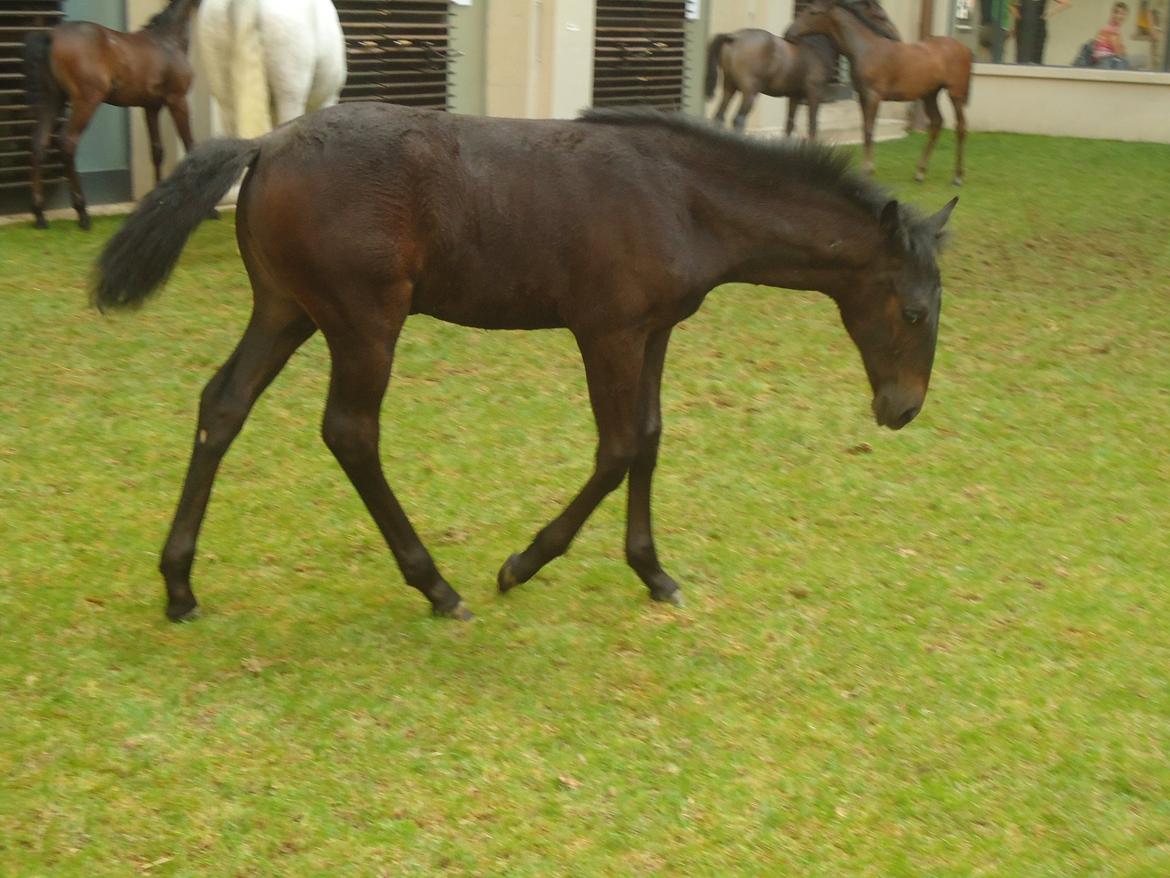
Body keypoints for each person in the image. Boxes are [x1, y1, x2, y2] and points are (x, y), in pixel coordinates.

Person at [1091, 2, 1131, 67]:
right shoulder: (1113, 30)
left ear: (1126, 16)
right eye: (1116, 12)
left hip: (1100, 60)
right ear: (1112, 14)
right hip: (1106, 60)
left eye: (1122, 14)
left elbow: (1096, 44)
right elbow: (1117, 51)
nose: (1119, 16)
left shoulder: (1106, 27)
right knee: (1128, 61)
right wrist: (1122, 50)